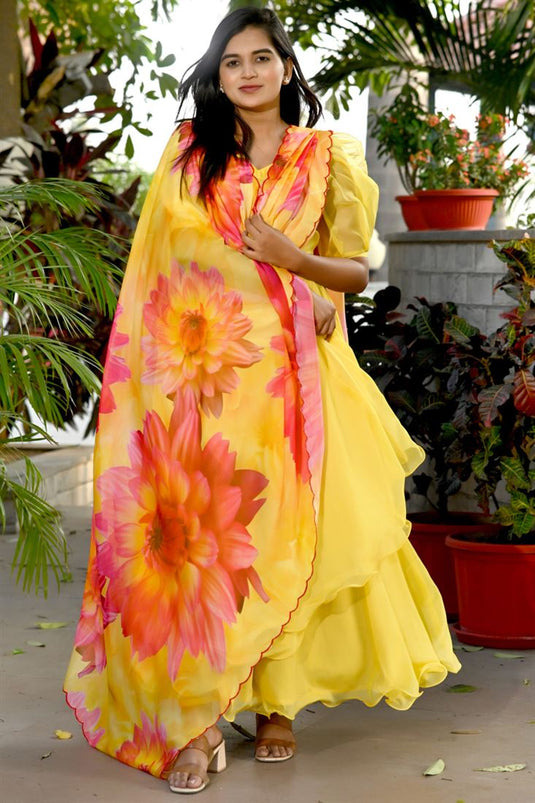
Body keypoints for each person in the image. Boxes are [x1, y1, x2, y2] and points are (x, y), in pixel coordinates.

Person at [64, 7, 460, 795]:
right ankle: (199, 720)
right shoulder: (189, 153)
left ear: (286, 67)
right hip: (202, 381)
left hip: (291, 380)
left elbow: (352, 273)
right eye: (232, 61)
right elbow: (164, 266)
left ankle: (277, 703)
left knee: (287, 537)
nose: (247, 72)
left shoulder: (328, 156)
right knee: (204, 547)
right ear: (217, 77)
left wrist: (295, 262)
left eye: (261, 58)